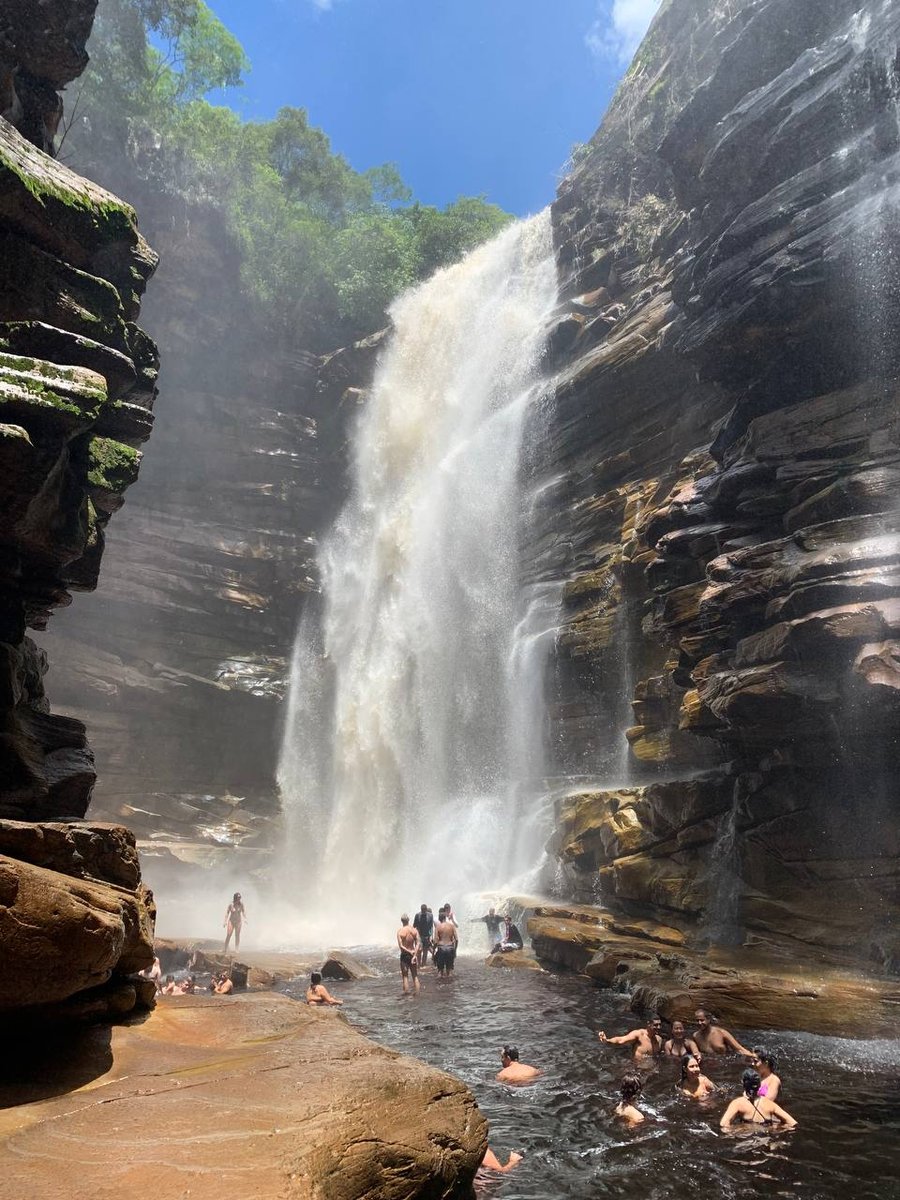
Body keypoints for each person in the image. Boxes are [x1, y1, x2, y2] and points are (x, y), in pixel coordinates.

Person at [719, 1069, 797, 1129]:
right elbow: (792, 1123)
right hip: (765, 1141)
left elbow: (723, 1125)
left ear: (742, 1083)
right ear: (759, 1085)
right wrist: (773, 1129)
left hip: (746, 1141)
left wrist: (739, 1130)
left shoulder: (737, 1103)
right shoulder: (769, 1104)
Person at [598, 1016, 663, 1061]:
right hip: (637, 1070)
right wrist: (607, 1040)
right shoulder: (639, 1035)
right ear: (649, 1024)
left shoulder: (659, 1040)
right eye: (656, 1025)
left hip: (652, 1071)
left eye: (660, 1024)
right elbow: (621, 1040)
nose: (659, 1027)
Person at [397, 914, 421, 995]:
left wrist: (408, 951)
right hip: (412, 954)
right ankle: (417, 995)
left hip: (404, 955)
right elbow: (418, 943)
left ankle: (406, 996)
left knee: (405, 977)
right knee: (415, 976)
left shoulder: (400, 931)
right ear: (408, 920)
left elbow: (401, 946)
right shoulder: (414, 930)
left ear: (402, 921)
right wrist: (414, 954)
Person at [433, 907, 458, 978]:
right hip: (450, 948)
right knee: (449, 972)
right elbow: (456, 939)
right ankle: (450, 987)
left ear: (439, 919)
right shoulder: (452, 926)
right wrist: (455, 950)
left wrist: (433, 952)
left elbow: (435, 941)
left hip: (441, 949)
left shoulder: (438, 927)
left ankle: (440, 987)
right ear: (445, 918)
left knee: (440, 972)